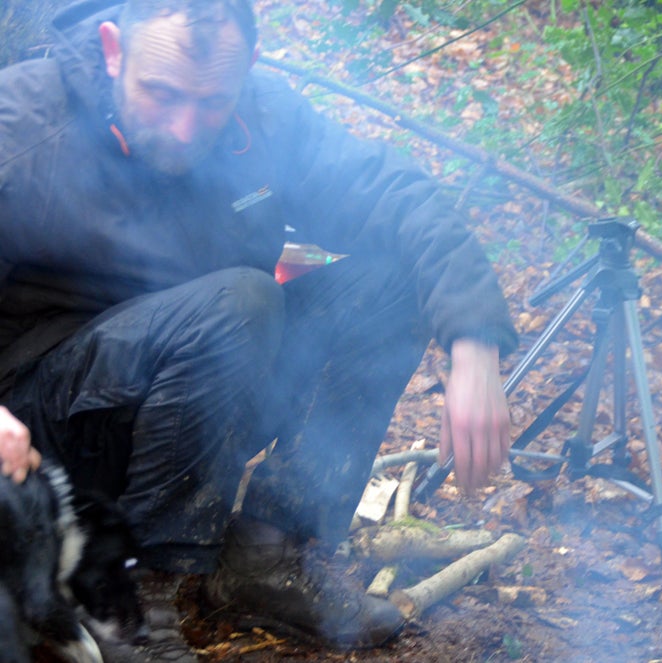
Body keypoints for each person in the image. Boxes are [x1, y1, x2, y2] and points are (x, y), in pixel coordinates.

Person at [0, 0, 517, 659]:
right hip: (46, 438)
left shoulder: (268, 119)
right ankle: (139, 605)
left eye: (211, 101)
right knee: (241, 300)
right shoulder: (25, 121)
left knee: (384, 277)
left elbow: (395, 193)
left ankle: (265, 556)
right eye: (160, 94)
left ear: (249, 65)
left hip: (196, 388)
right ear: (112, 49)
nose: (186, 128)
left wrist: (473, 340)